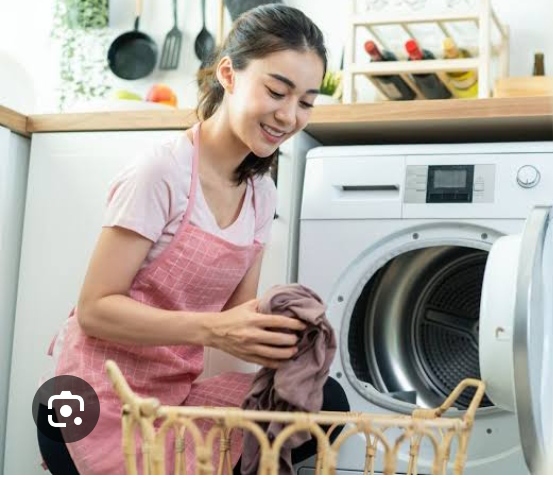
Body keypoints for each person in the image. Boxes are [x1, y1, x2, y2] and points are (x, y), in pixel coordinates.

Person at [38, 4, 348, 475]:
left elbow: (234, 322)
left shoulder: (261, 195)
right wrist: (213, 330)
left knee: (324, 402)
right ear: (229, 73)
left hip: (175, 398)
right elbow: (96, 308)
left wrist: (285, 331)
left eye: (305, 102)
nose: (288, 115)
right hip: (86, 398)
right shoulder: (160, 172)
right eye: (276, 91)